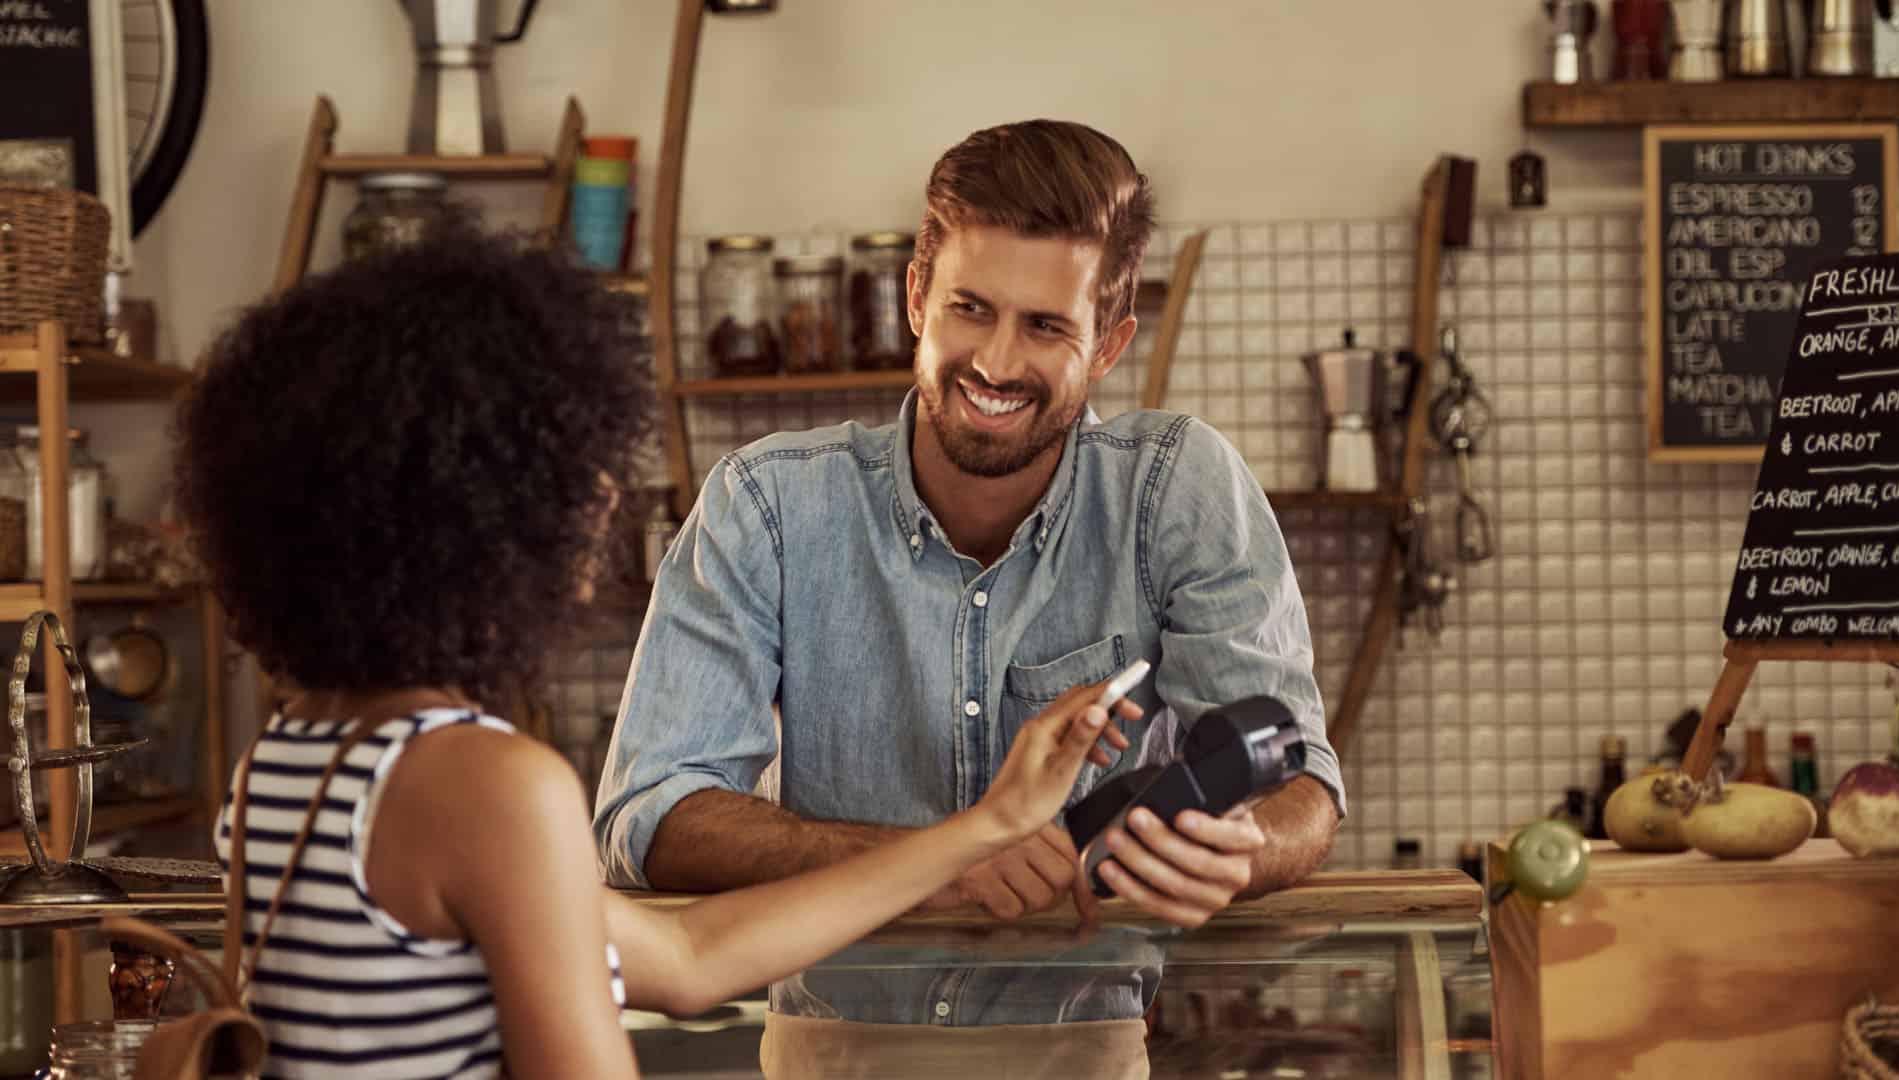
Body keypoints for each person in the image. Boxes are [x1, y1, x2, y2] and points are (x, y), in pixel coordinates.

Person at [176, 226, 1139, 1079]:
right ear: (482, 505)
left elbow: (688, 964)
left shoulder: (286, 762)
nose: (600, 500)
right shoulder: (489, 786)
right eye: (578, 468)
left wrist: (979, 830)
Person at [594, 119, 1346, 1041]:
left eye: (1045, 327)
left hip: (1083, 1052)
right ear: (917, 297)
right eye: (971, 308)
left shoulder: (1177, 489)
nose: (994, 363)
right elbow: (648, 814)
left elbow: (1301, 782)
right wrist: (934, 863)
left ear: (1108, 344)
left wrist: (1245, 851)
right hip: (839, 1054)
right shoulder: (768, 503)